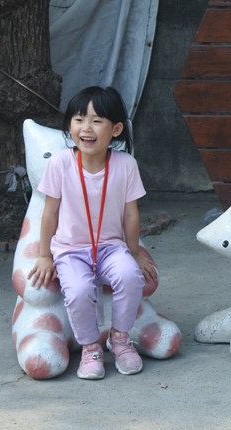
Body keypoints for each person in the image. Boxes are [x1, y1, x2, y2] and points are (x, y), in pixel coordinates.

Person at [28, 86, 157, 380]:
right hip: (70, 249)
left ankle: (120, 340)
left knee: (129, 276)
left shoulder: (126, 165)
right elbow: (49, 212)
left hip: (111, 247)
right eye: (78, 119)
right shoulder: (60, 163)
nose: (86, 128)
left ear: (116, 129)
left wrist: (135, 253)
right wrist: (44, 255)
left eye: (97, 120)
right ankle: (90, 348)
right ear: (70, 126)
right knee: (78, 290)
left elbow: (130, 213)